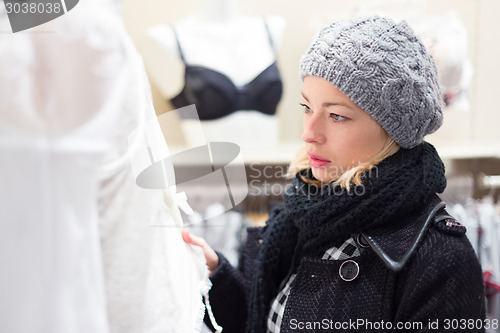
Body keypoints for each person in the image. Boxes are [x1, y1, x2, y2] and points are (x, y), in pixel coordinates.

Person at [182, 16, 486, 333]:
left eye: (337, 115)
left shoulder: (441, 260)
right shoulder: (297, 218)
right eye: (307, 107)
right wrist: (217, 276)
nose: (309, 133)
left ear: (393, 129)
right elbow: (265, 322)